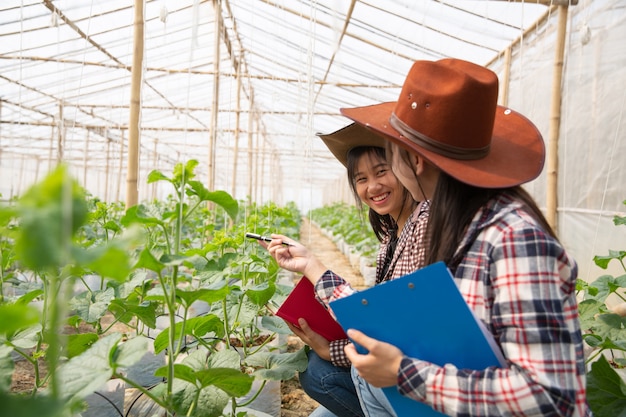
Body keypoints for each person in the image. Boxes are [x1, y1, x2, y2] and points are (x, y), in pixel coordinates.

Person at [330, 58, 590, 416]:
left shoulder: (513, 239)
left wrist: (404, 373)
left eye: (390, 153)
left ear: (414, 162)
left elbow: (548, 394)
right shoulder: (458, 223)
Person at [268, 123, 430, 417]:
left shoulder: (426, 226)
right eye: (361, 178)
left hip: (417, 377)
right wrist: (326, 346)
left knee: (321, 375)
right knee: (317, 372)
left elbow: (390, 330)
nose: (373, 187)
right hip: (400, 366)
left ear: (408, 168)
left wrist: (314, 268)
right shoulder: (391, 235)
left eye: (382, 171)